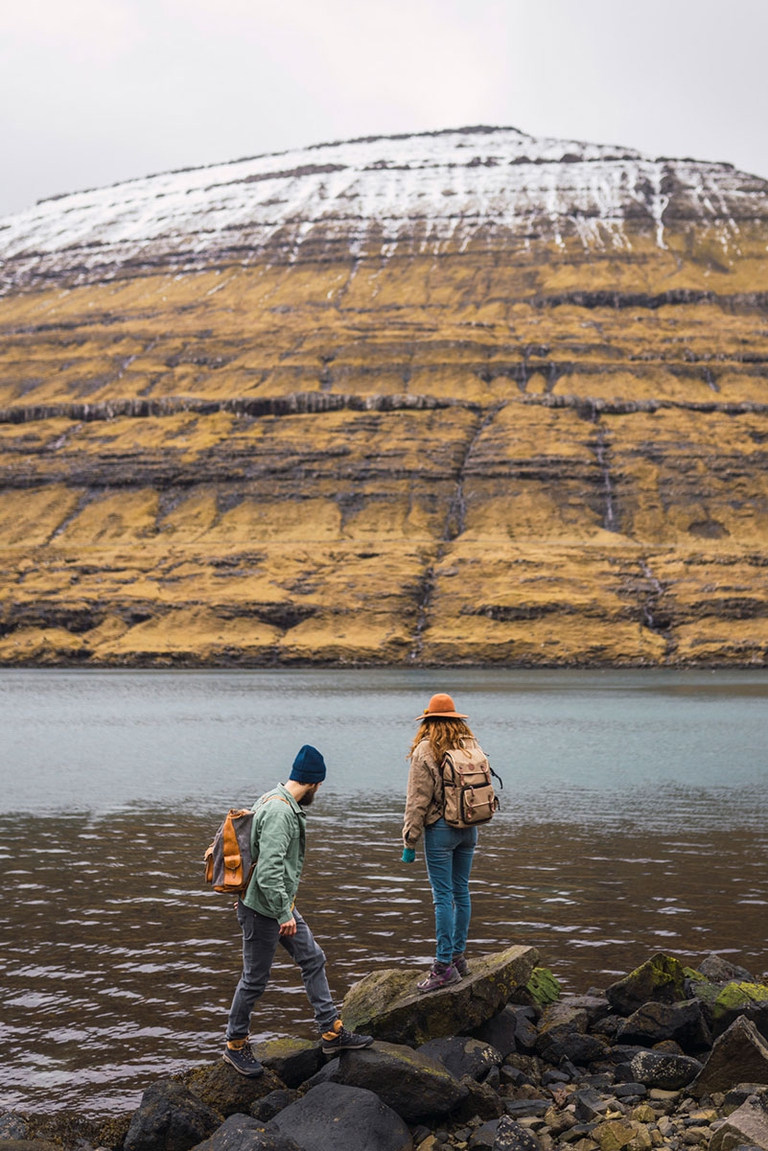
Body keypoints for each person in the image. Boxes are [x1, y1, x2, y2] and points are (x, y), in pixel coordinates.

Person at [223, 744, 373, 1076]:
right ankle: (234, 1044)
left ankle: (331, 1032)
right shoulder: (280, 812)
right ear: (314, 783)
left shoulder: (270, 797)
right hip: (267, 910)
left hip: (271, 903)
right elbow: (269, 871)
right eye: (319, 787)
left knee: (313, 958)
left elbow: (253, 853)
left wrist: (270, 902)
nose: (318, 792)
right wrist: (281, 914)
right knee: (254, 979)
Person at [401, 692, 487, 993]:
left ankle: (442, 966)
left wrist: (409, 841)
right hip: (470, 827)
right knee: (461, 891)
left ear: (427, 721)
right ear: (455, 719)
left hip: (440, 829)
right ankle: (458, 958)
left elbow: (417, 801)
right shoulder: (469, 744)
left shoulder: (426, 749)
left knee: (442, 896)